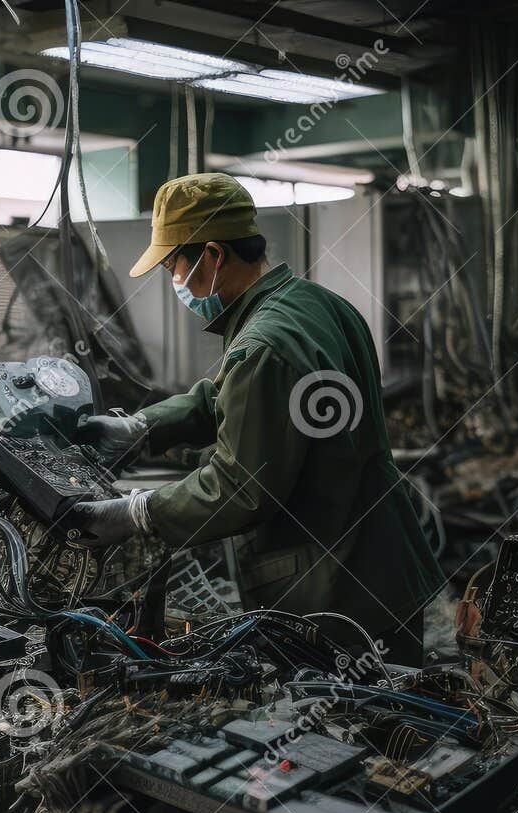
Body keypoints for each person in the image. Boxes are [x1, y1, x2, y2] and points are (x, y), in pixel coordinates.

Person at [72, 173, 444, 664]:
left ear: (213, 256)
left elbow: (240, 488)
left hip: (334, 590)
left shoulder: (264, 343)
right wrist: (142, 427)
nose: (173, 280)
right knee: (395, 713)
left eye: (173, 265)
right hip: (382, 561)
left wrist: (137, 513)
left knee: (340, 729)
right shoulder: (314, 304)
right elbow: (230, 396)